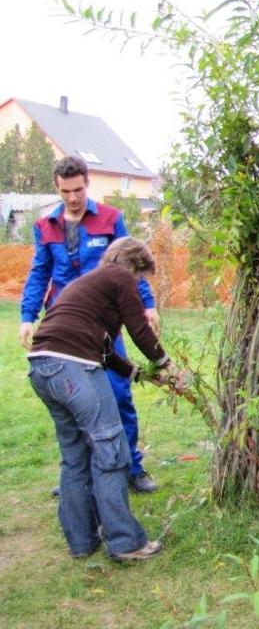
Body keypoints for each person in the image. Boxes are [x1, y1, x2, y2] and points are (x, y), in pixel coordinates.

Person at [27, 237, 179, 562]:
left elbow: (106, 349)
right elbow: (139, 328)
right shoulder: (119, 275)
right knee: (111, 452)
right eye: (140, 279)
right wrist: (167, 364)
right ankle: (126, 542)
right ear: (133, 265)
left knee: (75, 457)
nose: (137, 286)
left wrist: (138, 373)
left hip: (42, 367)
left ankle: (81, 541)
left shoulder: (90, 287)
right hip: (74, 368)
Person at [19, 156, 161, 493]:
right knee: (74, 400)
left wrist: (148, 305)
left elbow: (133, 261)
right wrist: (27, 316)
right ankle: (77, 473)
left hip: (106, 325)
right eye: (66, 191)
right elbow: (39, 272)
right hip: (64, 328)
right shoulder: (45, 226)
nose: (73, 197)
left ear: (88, 184)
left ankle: (132, 468)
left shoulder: (111, 219)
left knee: (118, 392)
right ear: (57, 188)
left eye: (78, 189)